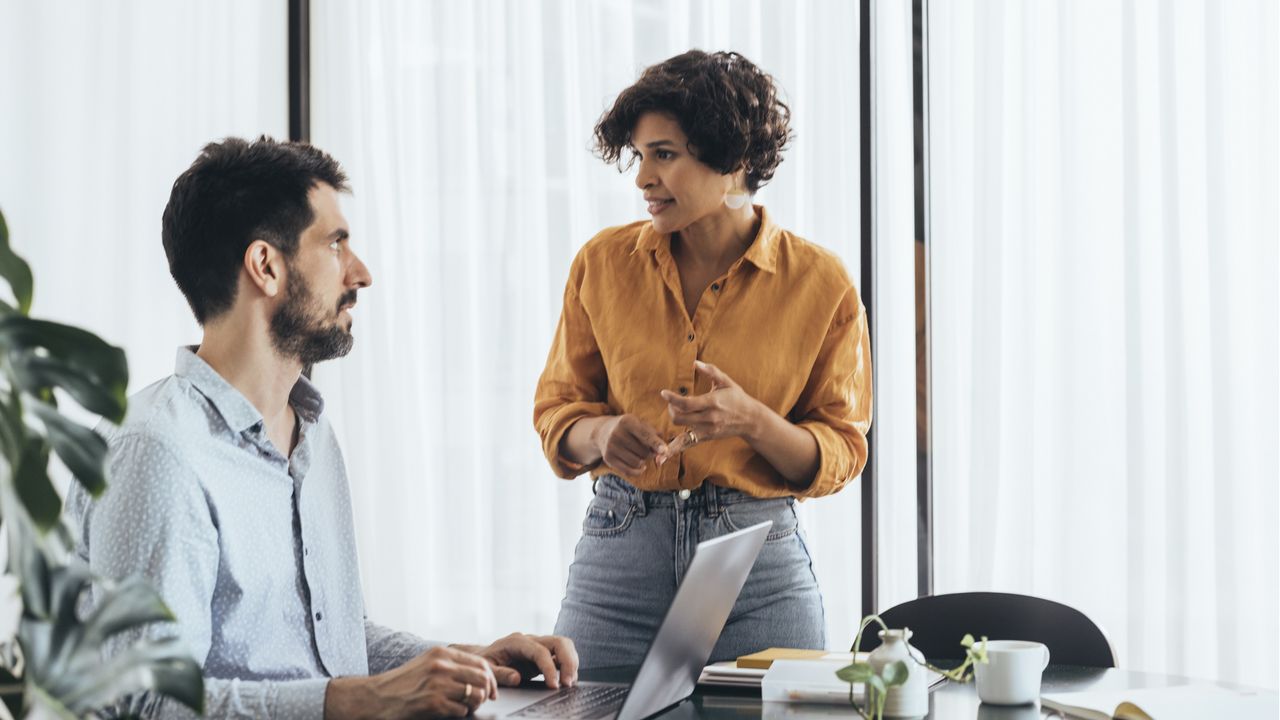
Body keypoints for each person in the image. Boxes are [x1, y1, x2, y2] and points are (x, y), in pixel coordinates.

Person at [67, 137, 577, 719]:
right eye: (336, 244)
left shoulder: (311, 434)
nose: (360, 273)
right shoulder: (160, 452)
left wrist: (464, 661)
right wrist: (363, 700)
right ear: (266, 266)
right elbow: (145, 704)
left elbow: (331, 646)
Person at [533, 50, 873, 668]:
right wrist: (603, 434)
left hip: (758, 569)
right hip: (619, 556)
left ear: (733, 160)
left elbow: (843, 449)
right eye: (639, 157)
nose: (642, 178)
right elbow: (557, 414)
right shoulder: (601, 265)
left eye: (664, 154)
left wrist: (752, 421)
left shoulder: (821, 283)